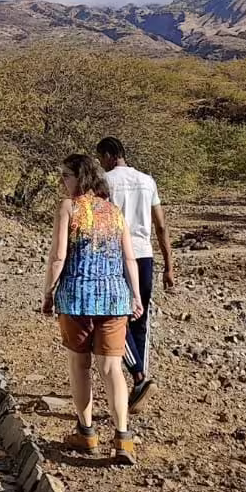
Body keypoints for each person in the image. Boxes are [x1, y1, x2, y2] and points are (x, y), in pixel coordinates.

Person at [42, 152, 145, 465]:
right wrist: (136, 296)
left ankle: (86, 432)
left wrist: (47, 292)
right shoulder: (114, 211)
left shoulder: (69, 207)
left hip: (76, 299)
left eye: (66, 175)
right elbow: (130, 258)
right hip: (115, 300)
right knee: (112, 369)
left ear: (80, 177)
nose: (62, 181)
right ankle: (123, 439)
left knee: (80, 365)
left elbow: (58, 255)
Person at [97, 136, 174, 408]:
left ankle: (138, 376)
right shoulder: (147, 181)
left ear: (108, 155)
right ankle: (137, 381)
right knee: (140, 319)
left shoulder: (106, 182)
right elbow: (161, 226)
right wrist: (169, 265)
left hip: (116, 254)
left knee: (117, 317)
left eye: (101, 159)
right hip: (144, 255)